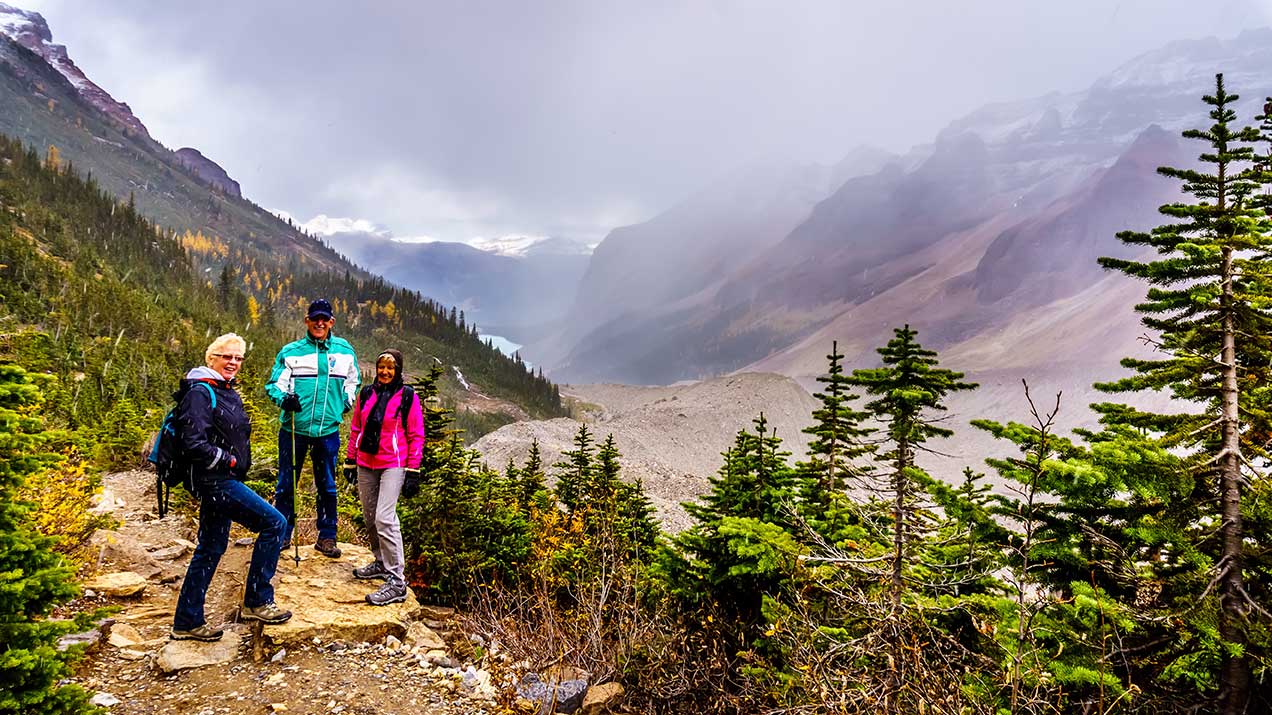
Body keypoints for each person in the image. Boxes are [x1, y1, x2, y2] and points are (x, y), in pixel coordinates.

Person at [172, 333, 291, 641]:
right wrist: (230, 461)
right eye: (228, 357)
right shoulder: (200, 392)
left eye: (238, 358)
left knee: (211, 547)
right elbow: (193, 442)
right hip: (215, 481)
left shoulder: (223, 390)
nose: (234, 363)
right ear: (212, 358)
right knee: (274, 523)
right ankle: (257, 601)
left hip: (223, 479)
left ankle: (187, 620)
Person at [265, 298, 360, 558]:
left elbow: (354, 381)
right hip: (294, 429)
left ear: (331, 322)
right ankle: (282, 533)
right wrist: (284, 399)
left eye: (324, 319)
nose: (320, 323)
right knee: (286, 484)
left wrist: (345, 402)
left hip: (327, 430)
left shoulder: (344, 351)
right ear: (307, 320)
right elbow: (273, 385)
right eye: (315, 318)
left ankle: (327, 536)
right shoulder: (291, 351)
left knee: (327, 485)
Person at [344, 349, 425, 605]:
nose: (385, 371)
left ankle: (397, 581)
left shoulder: (407, 397)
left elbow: (416, 434)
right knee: (370, 518)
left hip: (394, 463)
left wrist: (413, 470)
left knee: (385, 519)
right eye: (381, 367)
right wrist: (350, 458)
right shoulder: (367, 393)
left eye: (391, 367)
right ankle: (380, 562)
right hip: (366, 462)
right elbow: (357, 426)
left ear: (398, 370)